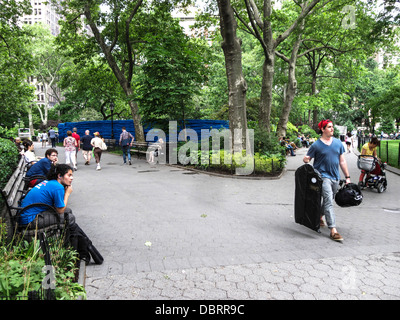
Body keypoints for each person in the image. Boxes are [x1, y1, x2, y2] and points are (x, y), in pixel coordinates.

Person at [303, 119, 351, 242]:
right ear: (323, 129)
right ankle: (333, 230)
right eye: (329, 127)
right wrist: (306, 159)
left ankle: (318, 216)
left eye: (332, 127)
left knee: (328, 201)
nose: (332, 129)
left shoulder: (338, 143)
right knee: (329, 200)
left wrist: (347, 177)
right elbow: (308, 158)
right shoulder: (316, 145)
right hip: (322, 177)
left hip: (335, 177)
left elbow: (342, 161)